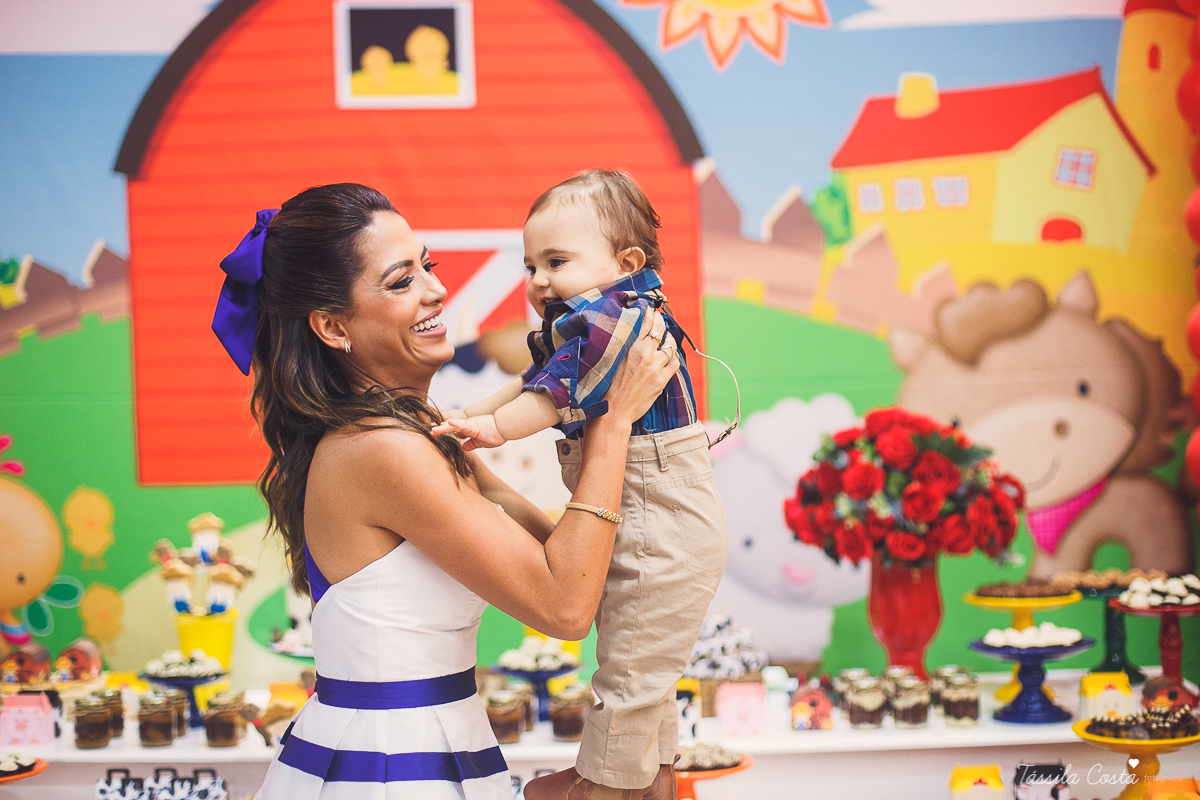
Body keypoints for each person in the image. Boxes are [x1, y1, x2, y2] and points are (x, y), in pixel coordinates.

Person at [209, 182, 678, 800]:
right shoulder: (381, 449)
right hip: (388, 766)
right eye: (401, 281)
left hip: (432, 745)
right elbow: (565, 606)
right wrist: (614, 422)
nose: (435, 290)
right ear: (331, 325)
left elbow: (567, 566)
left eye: (428, 266)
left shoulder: (409, 435)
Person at [431, 169, 732, 800]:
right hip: (647, 511)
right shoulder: (584, 319)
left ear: (625, 261)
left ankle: (605, 784)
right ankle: (650, 778)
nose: (539, 279)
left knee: (631, 673)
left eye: (556, 261)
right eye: (531, 265)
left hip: (661, 515)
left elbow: (543, 397)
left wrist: (491, 429)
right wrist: (472, 416)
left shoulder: (611, 319)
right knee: (640, 663)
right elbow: (532, 380)